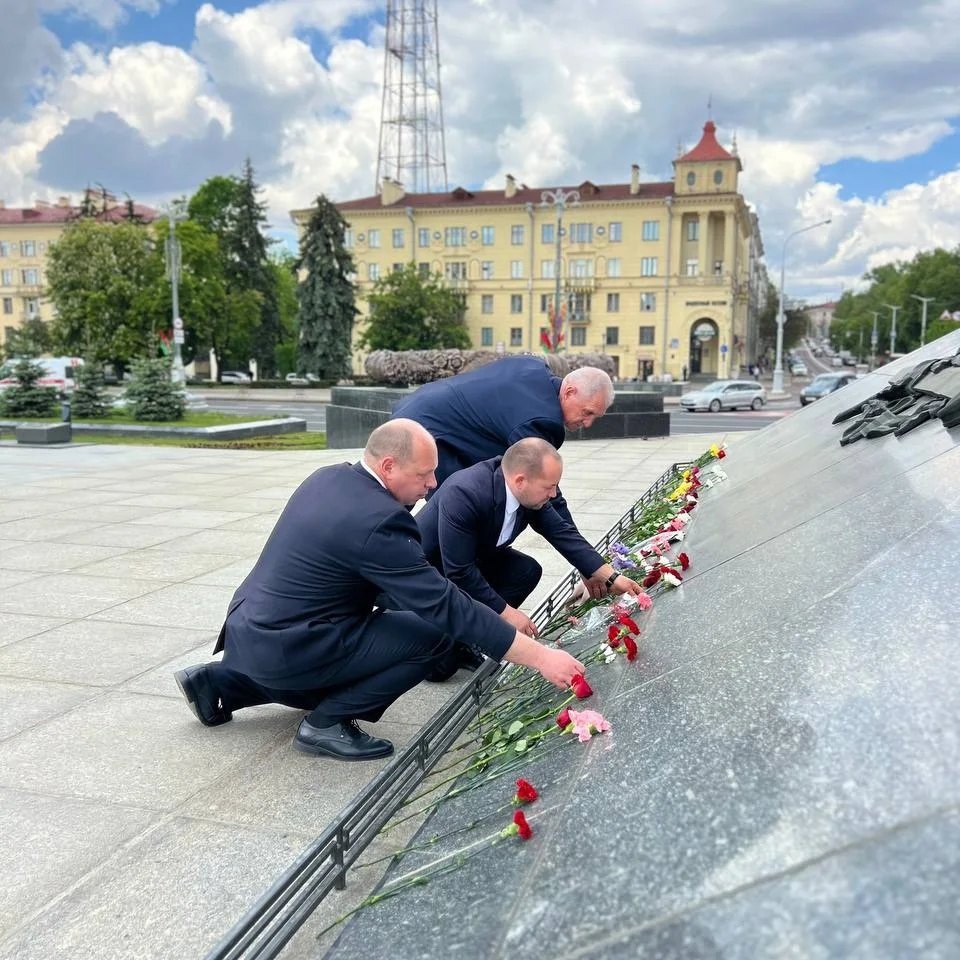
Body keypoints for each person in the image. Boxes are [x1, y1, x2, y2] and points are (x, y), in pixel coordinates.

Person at [174, 420, 584, 761]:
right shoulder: (379, 520)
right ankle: (326, 723)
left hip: (251, 630)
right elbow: (443, 604)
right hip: (293, 641)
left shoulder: (330, 477)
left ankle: (219, 683)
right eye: (423, 474)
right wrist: (539, 656)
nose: (432, 483)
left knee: (365, 642)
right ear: (388, 466)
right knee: (436, 637)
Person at [416, 438, 647, 677]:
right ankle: (451, 635)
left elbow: (562, 533)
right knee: (441, 668)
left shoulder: (528, 495)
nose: (554, 493)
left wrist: (612, 577)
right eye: (549, 486)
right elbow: (459, 572)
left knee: (525, 570)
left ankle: (472, 636)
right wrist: (506, 612)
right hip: (429, 573)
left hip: (476, 558)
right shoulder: (465, 493)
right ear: (520, 481)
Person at [391, 356, 614, 526]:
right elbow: (545, 492)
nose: (588, 423)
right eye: (587, 412)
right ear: (569, 392)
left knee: (399, 510)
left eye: (595, 417)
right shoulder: (543, 421)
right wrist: (591, 565)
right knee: (455, 511)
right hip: (431, 432)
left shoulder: (534, 366)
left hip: (420, 406)